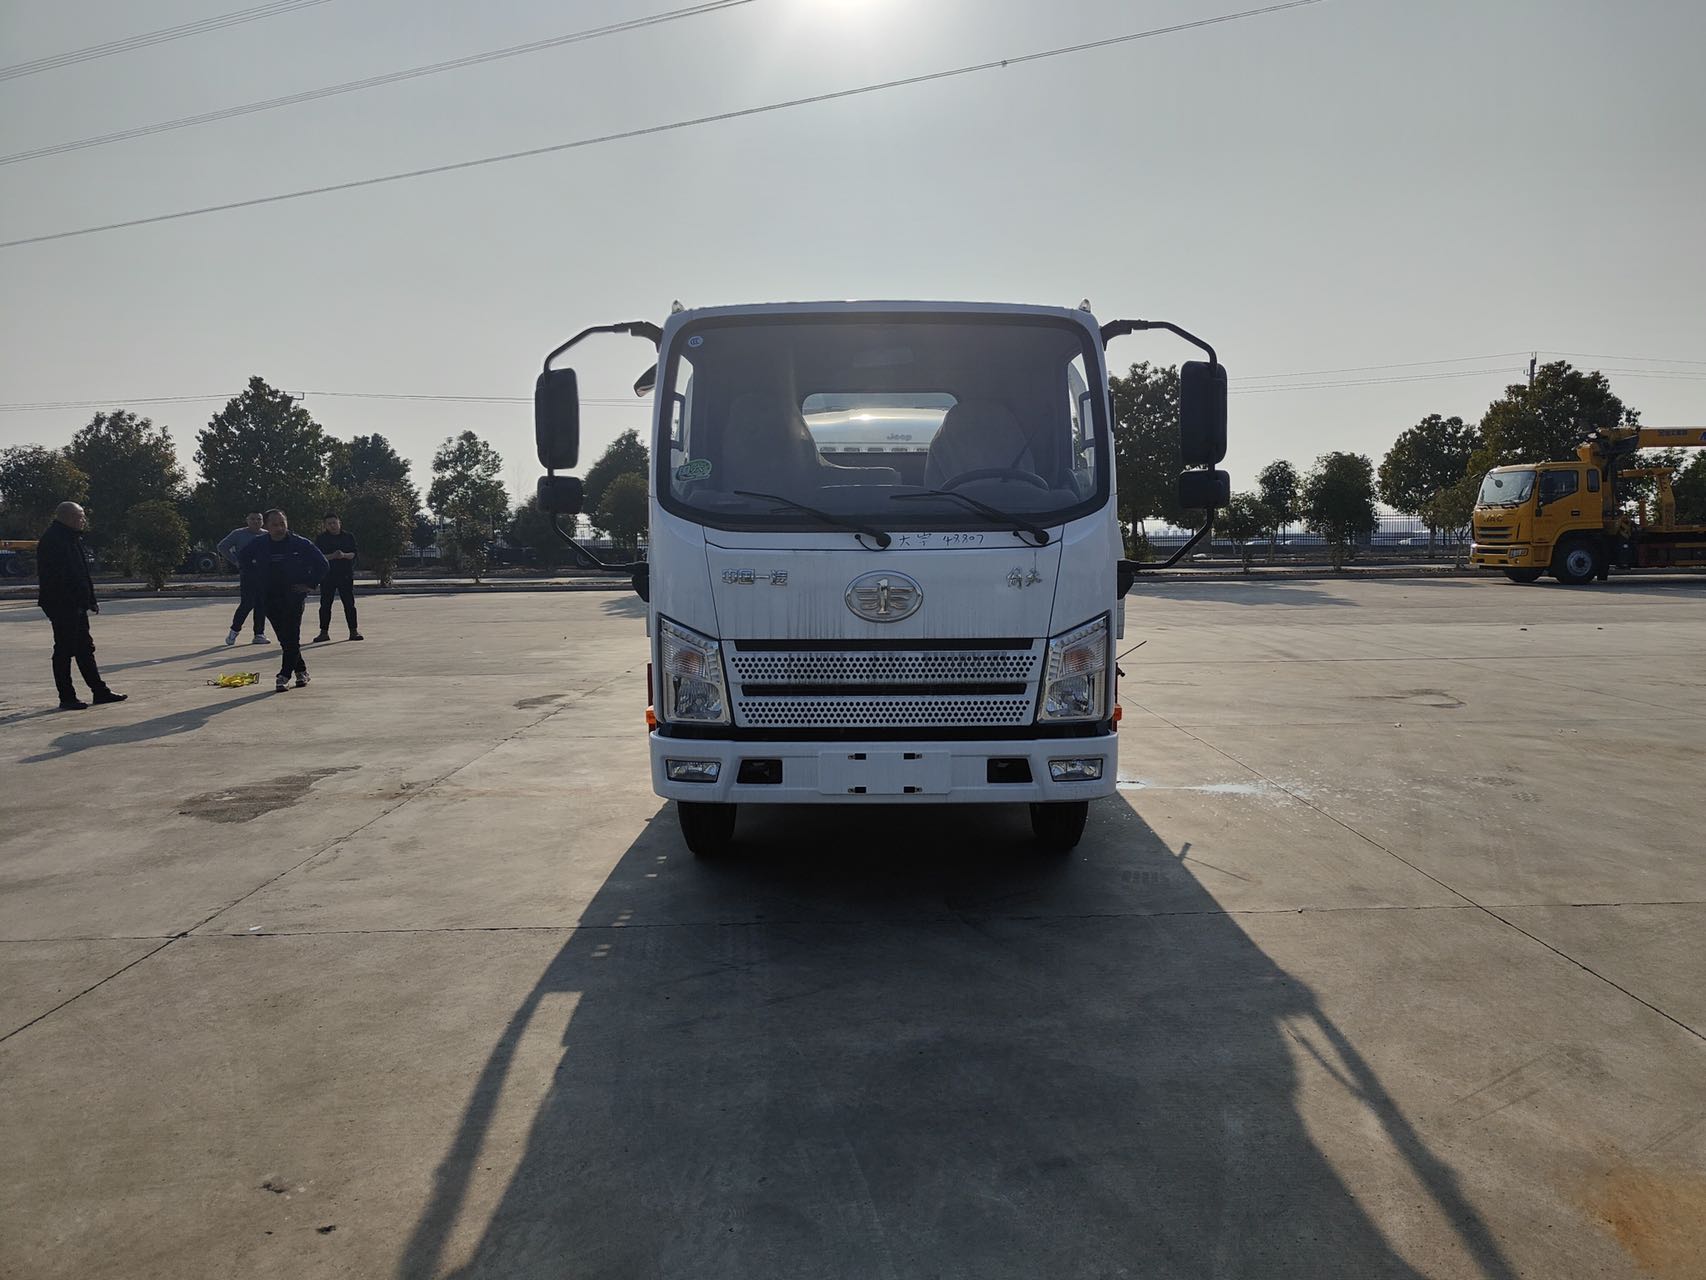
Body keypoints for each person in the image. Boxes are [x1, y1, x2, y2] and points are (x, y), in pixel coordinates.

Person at [36, 501, 126, 711]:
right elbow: (57, 578)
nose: (83, 520)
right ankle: (67, 697)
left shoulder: (71, 537)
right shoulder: (53, 540)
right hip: (62, 605)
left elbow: (81, 573)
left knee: (85, 648)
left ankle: (100, 691)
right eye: (80, 516)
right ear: (67, 517)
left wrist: (90, 599)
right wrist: (72, 603)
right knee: (64, 649)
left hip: (76, 604)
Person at [239, 509, 328, 693]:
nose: (279, 528)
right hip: (269, 596)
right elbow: (243, 559)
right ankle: (301, 671)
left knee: (292, 635)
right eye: (275, 525)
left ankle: (284, 675)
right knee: (284, 637)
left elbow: (322, 564)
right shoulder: (259, 544)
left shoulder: (300, 543)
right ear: (267, 526)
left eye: (282, 524)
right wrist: (255, 580)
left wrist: (309, 584)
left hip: (293, 596)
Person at [216, 511, 271, 646]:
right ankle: (234, 631)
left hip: (264, 573)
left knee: (261, 603)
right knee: (247, 603)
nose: (256, 522)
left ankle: (259, 634)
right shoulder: (238, 534)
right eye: (252, 519)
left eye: (259, 519)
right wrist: (235, 561)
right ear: (247, 521)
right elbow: (222, 547)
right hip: (248, 572)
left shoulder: (267, 535)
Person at [313, 512, 363, 642]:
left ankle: (353, 631)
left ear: (339, 523)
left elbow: (354, 554)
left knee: (349, 604)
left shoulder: (348, 537)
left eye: (334, 523)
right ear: (325, 525)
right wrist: (332, 556)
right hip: (327, 575)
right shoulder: (321, 538)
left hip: (345, 574)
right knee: (325, 604)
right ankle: (323, 632)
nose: (332, 526)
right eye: (329, 524)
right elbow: (318, 556)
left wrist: (344, 555)